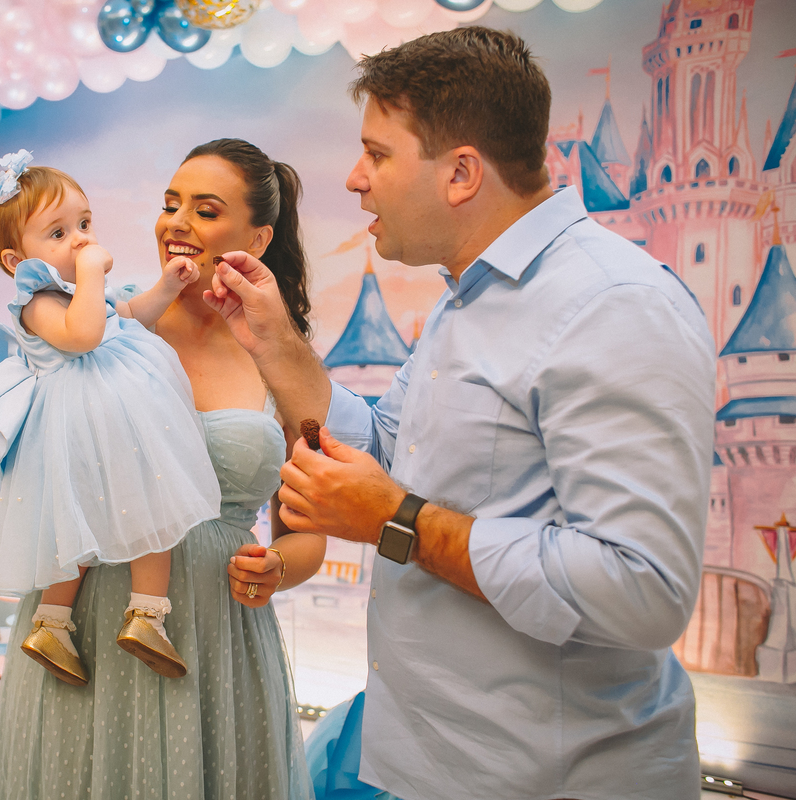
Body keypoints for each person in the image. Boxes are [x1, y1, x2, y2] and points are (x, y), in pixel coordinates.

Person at [204, 28, 715, 800]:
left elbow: (641, 589)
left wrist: (394, 520)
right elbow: (380, 444)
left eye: (377, 154)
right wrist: (275, 344)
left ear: (461, 174)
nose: (354, 178)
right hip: (431, 764)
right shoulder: (466, 302)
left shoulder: (612, 305)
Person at [0, 138, 324, 799]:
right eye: (171, 204)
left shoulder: (282, 358)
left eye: (204, 209)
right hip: (83, 632)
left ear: (258, 236)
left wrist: (278, 568)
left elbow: (310, 533)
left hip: (213, 637)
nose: (177, 222)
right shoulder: (110, 320)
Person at [0, 150, 222, 685]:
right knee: (75, 532)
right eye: (59, 233)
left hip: (117, 420)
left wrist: (168, 287)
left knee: (153, 508)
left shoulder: (83, 291)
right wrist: (89, 274)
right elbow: (83, 335)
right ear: (17, 260)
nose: (82, 241)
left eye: (84, 224)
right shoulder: (36, 298)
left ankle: (147, 615)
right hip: (75, 426)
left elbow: (127, 317)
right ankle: (52, 622)